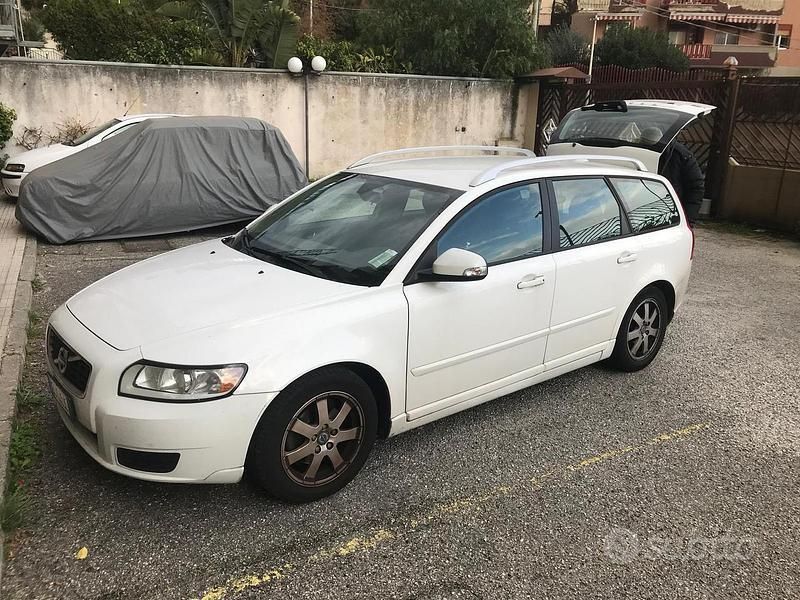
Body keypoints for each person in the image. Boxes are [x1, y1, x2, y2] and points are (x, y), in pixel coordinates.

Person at [639, 127, 704, 223]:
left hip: (669, 212)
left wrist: (687, 219)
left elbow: (695, 187)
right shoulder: (633, 151)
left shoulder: (681, 155)